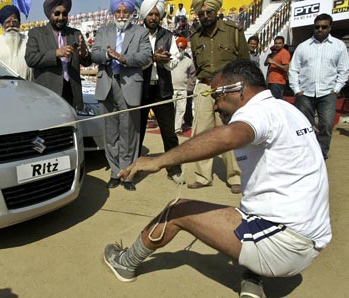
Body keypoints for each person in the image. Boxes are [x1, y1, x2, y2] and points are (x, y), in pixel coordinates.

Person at [103, 59, 331, 298]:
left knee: (177, 210)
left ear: (238, 90)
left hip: (285, 244)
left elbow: (229, 136)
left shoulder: (257, 112)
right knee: (246, 210)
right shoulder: (286, 109)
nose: (214, 107)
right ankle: (253, 279)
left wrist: (159, 161)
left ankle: (125, 263)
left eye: (217, 97)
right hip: (309, 240)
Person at [187, 0, 248, 194]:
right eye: (202, 13)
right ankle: (203, 177)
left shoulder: (233, 31)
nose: (205, 16)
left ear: (216, 12)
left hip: (228, 89)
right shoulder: (195, 36)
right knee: (202, 133)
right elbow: (197, 65)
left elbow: (245, 62)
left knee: (229, 132)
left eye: (209, 12)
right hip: (204, 87)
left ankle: (236, 177)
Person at [91, 0, 152, 191]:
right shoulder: (103, 31)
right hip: (107, 84)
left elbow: (146, 56)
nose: (122, 14)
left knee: (129, 131)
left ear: (132, 13)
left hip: (129, 85)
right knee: (110, 132)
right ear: (113, 13)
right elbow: (95, 55)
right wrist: (109, 56)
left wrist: (123, 58)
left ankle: (127, 173)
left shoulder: (140, 32)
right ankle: (114, 171)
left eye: (126, 11)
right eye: (118, 11)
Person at [288, 13, 349, 160]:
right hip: (305, 93)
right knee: (304, 127)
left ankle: (321, 155)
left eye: (324, 27)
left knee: (326, 126)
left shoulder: (339, 46)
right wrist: (297, 90)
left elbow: (344, 70)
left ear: (330, 27)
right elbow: (293, 69)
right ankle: (307, 153)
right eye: (317, 27)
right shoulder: (303, 47)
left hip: (328, 93)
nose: (320, 29)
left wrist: (336, 89)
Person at [139, 0, 184, 185]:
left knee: (169, 132)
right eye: (150, 14)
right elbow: (134, 61)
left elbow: (173, 62)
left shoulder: (168, 36)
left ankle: (174, 168)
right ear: (144, 15)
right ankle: (133, 166)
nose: (153, 17)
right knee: (137, 130)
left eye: (157, 14)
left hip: (162, 88)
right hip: (140, 89)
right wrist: (151, 58)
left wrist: (162, 60)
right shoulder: (136, 34)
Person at [25, 0, 92, 113]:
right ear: (49, 14)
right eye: (57, 13)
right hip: (47, 92)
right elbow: (30, 59)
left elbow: (87, 62)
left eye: (64, 14)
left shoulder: (75, 34)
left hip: (71, 91)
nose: (61, 17)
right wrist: (56, 53)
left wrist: (84, 53)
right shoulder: (36, 33)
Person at [0, 5, 33, 80]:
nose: (11, 25)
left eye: (15, 21)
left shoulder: (28, 42)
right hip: (1, 89)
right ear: (2, 25)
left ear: (19, 24)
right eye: (7, 22)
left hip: (24, 88)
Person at [171, 36, 196, 134]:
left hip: (183, 89)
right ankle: (170, 127)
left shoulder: (188, 61)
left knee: (181, 110)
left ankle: (177, 128)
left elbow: (192, 75)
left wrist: (190, 87)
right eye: (177, 47)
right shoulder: (170, 59)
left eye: (181, 47)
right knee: (171, 110)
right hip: (171, 89)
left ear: (185, 48)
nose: (179, 49)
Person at [264, 36, 290, 100]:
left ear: (283, 44)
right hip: (271, 81)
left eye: (279, 43)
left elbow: (286, 68)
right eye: (276, 43)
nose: (277, 45)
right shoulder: (275, 54)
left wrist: (274, 63)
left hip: (278, 82)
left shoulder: (284, 53)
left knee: (275, 101)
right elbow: (265, 64)